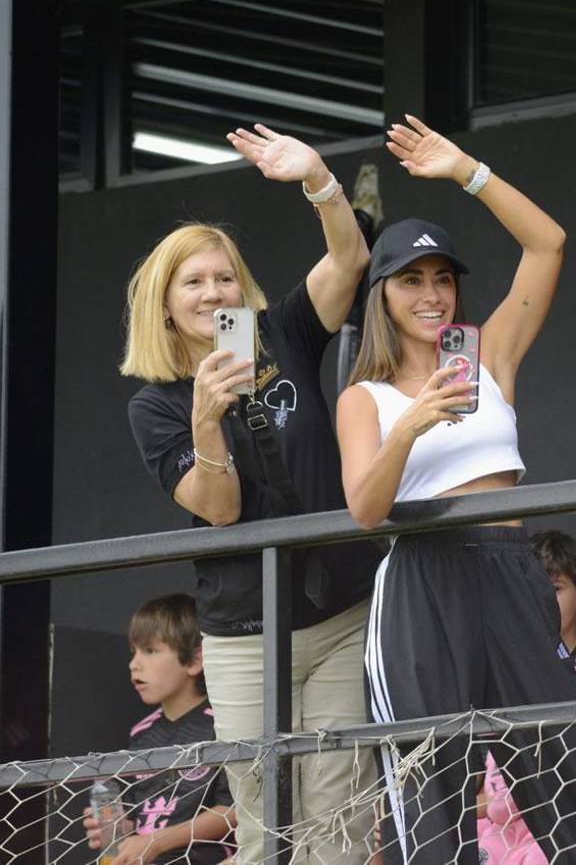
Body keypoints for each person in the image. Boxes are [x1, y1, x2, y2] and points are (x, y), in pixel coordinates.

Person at [337, 114, 576, 864]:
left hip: (510, 568)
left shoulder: (491, 354)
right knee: (434, 799)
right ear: (381, 293)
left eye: (443, 278)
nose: (433, 293)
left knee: (573, 773)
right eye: (412, 280)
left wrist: (464, 169)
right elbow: (364, 509)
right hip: (422, 577)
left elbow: (549, 244)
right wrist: (412, 423)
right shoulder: (365, 397)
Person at [122, 124, 380, 863]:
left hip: (338, 611)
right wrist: (206, 417)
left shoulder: (282, 334)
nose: (213, 293)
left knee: (340, 813)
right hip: (242, 633)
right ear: (167, 304)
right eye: (194, 282)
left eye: (224, 277)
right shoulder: (157, 402)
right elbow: (223, 509)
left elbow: (350, 259)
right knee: (263, 822)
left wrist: (318, 180)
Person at [476, 530, 576, 863]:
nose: (541, 599)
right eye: (529, 589)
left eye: (555, 589)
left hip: (562, 822)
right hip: (502, 826)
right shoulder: (508, 670)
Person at [83, 594, 234, 864]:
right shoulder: (141, 733)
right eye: (134, 652)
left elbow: (232, 810)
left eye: (150, 651)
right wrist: (120, 829)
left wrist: (155, 841)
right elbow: (138, 817)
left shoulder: (221, 724)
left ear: (194, 661)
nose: (134, 664)